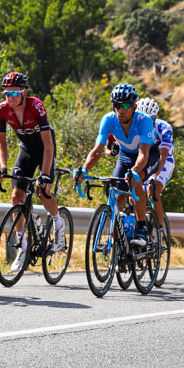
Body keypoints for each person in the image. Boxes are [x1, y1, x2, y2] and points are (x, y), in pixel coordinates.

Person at [0, 71, 66, 272]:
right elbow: (2, 142)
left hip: (44, 149)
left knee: (43, 192)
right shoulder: (2, 110)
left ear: (24, 92)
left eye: (15, 93)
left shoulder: (36, 106)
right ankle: (22, 247)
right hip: (25, 150)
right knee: (16, 196)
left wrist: (45, 174)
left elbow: (49, 145)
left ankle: (59, 224)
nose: (10, 97)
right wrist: (3, 167)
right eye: (7, 93)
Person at [75, 83, 157, 247]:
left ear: (134, 106)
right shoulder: (108, 119)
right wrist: (84, 169)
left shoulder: (144, 120)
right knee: (118, 196)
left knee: (135, 180)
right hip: (125, 156)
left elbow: (143, 154)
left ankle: (142, 229)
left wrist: (134, 172)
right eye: (117, 105)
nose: (121, 110)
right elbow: (97, 151)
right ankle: (117, 238)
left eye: (126, 105)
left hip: (148, 155)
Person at [137, 97, 175, 236]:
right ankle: (139, 228)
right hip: (145, 159)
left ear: (155, 117)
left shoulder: (164, 128)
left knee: (153, 191)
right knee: (133, 194)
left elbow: (162, 156)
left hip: (165, 160)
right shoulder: (135, 126)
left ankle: (158, 231)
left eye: (150, 119)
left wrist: (154, 176)